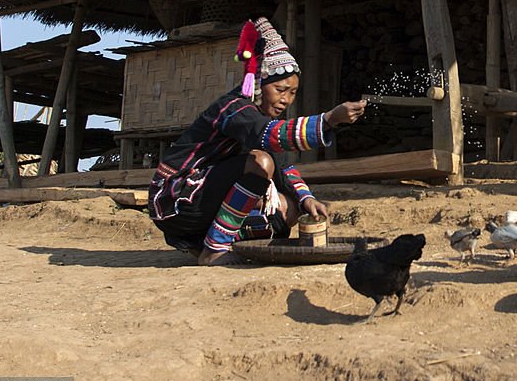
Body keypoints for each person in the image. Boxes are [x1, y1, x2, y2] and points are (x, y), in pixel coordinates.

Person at [147, 16, 366, 265]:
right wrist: (328, 120)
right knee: (260, 162)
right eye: (281, 90)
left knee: (289, 209)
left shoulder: (259, 117)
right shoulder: (234, 109)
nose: (286, 100)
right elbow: (272, 137)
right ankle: (215, 249)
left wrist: (307, 199)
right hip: (174, 199)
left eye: (292, 93)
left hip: (202, 201)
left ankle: (205, 244)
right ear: (260, 83)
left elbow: (284, 168)